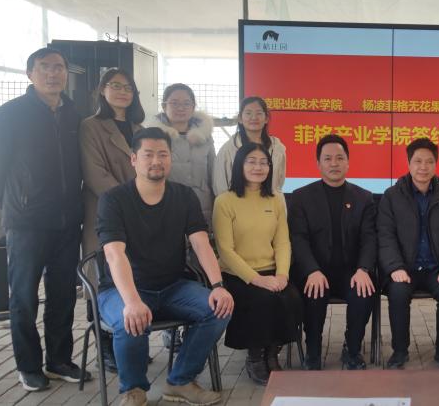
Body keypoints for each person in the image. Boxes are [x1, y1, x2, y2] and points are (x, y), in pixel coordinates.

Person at [95, 127, 233, 406]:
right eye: (148, 155)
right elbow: (114, 254)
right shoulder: (114, 199)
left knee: (218, 308)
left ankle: (180, 381)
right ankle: (134, 390)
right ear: (134, 159)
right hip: (123, 290)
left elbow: (200, 243)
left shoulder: (183, 196)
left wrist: (218, 286)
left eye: (163, 154)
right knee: (129, 319)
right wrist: (132, 301)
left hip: (172, 286)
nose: (156, 161)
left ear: (170, 158)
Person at [0, 47, 89, 391]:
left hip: (67, 222)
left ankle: (59, 360)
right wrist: (14, 205)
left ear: (66, 74)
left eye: (58, 67)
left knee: (63, 295)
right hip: (26, 223)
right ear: (30, 74)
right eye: (44, 67)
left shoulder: (75, 115)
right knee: (24, 298)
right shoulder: (10, 114)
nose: (52, 74)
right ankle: (28, 366)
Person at [213, 142, 302, 385]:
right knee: (261, 299)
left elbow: (282, 242)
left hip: (271, 270)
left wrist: (282, 275)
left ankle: (272, 353)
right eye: (251, 161)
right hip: (238, 274)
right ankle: (255, 357)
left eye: (264, 163)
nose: (258, 167)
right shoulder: (224, 201)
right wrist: (257, 279)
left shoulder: (275, 200)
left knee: (291, 297)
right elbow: (225, 250)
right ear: (239, 165)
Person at [288, 134, 377, 370]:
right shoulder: (301, 197)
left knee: (363, 291)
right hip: (316, 269)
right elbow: (298, 238)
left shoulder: (363, 197)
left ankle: (352, 349)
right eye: (327, 158)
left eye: (339, 158)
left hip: (351, 270)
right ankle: (313, 351)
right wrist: (311, 270)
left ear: (348, 162)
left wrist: (363, 269)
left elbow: (370, 238)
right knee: (313, 291)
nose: (334, 163)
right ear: (318, 163)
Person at [378, 138, 439, 369]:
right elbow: (385, 236)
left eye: (429, 162)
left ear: (436, 164)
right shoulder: (392, 196)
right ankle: (399, 351)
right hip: (404, 268)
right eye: (417, 161)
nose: (423, 167)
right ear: (408, 163)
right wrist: (395, 267)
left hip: (438, 267)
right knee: (397, 292)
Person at [80, 68, 145, 371]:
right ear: (102, 91)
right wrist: (130, 203)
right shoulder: (91, 127)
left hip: (139, 214)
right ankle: (104, 346)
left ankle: (130, 340)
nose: (122, 92)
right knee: (102, 276)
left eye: (127, 87)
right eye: (115, 86)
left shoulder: (139, 128)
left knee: (132, 277)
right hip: (105, 212)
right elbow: (95, 174)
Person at [146, 83, 216, 223]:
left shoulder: (205, 136)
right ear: (164, 106)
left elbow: (213, 172)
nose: (180, 108)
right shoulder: (153, 136)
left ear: (193, 107)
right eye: (174, 103)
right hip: (165, 206)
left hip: (201, 205)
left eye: (186, 103)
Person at [214, 96, 286, 195]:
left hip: (269, 201)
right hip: (235, 202)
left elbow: (279, 181)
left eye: (259, 113)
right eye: (248, 113)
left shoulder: (277, 148)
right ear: (240, 118)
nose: (254, 117)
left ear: (266, 118)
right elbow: (220, 184)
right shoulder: (228, 149)